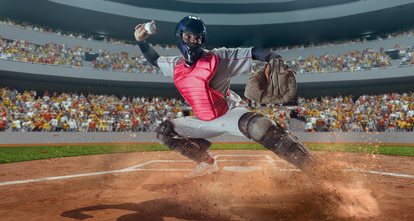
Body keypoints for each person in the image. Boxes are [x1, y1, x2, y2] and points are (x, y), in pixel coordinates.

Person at [134, 16, 314, 178]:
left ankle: (314, 167)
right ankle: (207, 163)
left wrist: (274, 58)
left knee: (261, 126)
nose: (193, 41)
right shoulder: (175, 65)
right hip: (202, 122)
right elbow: (155, 60)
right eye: (188, 36)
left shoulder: (218, 58)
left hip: (228, 113)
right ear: (179, 37)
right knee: (164, 131)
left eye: (198, 38)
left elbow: (252, 52)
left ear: (202, 40)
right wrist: (141, 42)